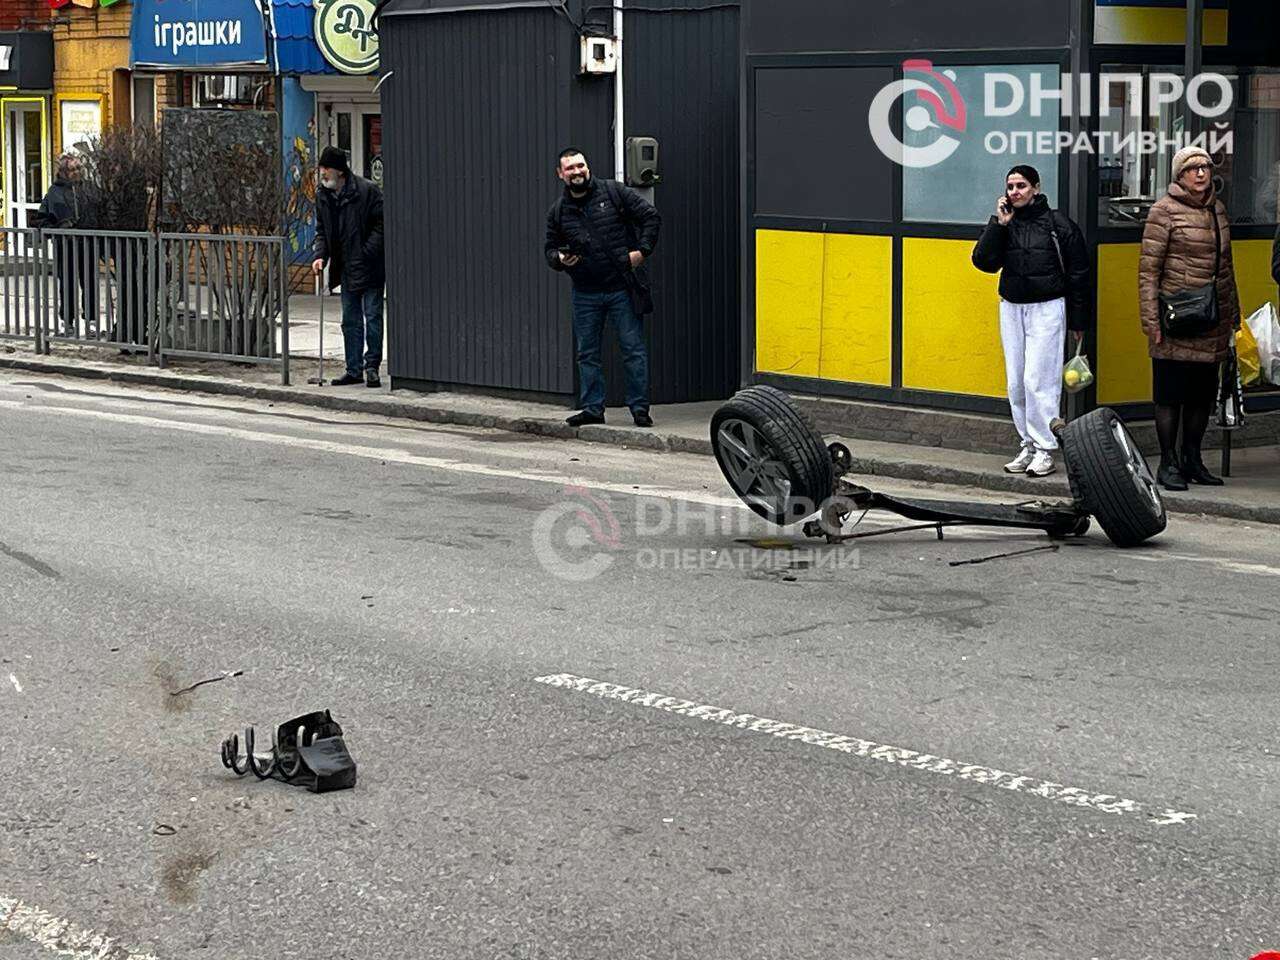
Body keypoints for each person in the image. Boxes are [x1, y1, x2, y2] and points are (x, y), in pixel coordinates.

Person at [972, 164, 1089, 477]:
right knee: (1016, 382)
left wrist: (1079, 321)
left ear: (1036, 188)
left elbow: (1079, 274)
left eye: (1021, 186)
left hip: (1047, 307)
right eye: (1010, 186)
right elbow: (983, 262)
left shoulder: (1057, 223)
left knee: (1040, 381)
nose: (1015, 192)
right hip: (1012, 307)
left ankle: (1045, 447)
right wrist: (999, 224)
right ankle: (1027, 444)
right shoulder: (1005, 223)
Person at [1139, 145, 1241, 490]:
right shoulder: (1163, 212)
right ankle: (1168, 463)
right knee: (1170, 395)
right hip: (1177, 320)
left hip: (1211, 318)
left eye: (1206, 167)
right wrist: (1151, 322)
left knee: (1200, 395)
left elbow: (1226, 268)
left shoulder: (1218, 211)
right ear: (1179, 175)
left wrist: (1234, 316)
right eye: (1193, 168)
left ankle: (1192, 459)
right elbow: (1148, 272)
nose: (1201, 173)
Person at [545, 147, 661, 427]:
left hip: (621, 288)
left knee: (633, 350)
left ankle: (640, 410)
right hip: (585, 292)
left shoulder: (614, 192)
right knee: (587, 353)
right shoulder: (559, 211)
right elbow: (549, 249)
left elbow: (651, 217)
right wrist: (560, 258)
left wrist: (642, 252)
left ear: (588, 167)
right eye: (570, 168)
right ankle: (593, 408)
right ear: (560, 174)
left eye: (580, 166)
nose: (577, 172)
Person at [312, 145, 385, 387]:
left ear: (340, 171)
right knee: (350, 320)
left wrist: (366, 252)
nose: (323, 172)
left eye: (326, 168)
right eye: (322, 168)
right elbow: (322, 231)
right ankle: (354, 369)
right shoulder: (323, 195)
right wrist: (320, 255)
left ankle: (371, 366)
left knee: (373, 317)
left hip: (370, 266)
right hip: (345, 267)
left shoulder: (367, 191)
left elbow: (381, 225)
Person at [32, 152, 98, 338]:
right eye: (72, 169)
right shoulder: (54, 193)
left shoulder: (90, 189)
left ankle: (91, 321)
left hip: (88, 243)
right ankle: (67, 321)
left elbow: (101, 213)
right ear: (63, 172)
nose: (76, 173)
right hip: (65, 245)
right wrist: (57, 228)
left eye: (79, 169)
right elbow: (41, 219)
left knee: (90, 282)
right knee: (67, 283)